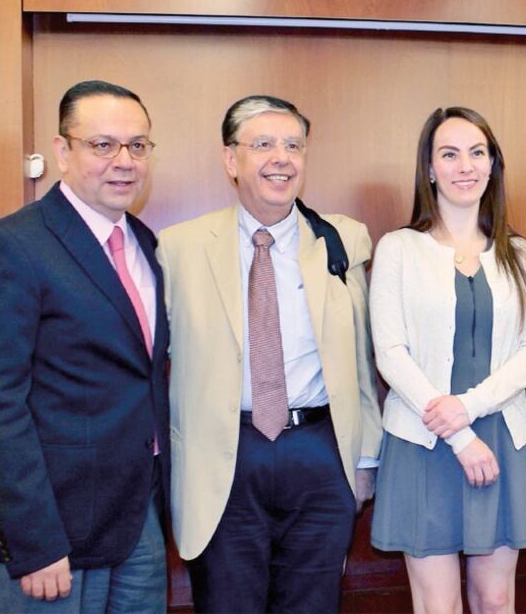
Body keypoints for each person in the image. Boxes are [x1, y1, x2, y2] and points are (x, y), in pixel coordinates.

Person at [156, 95, 383, 613]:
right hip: (223, 454)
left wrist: (365, 457)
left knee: (313, 603)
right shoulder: (178, 248)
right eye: (262, 144)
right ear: (230, 160)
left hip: (319, 449)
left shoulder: (343, 241)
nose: (281, 158)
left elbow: (363, 361)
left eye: (293, 145)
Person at [0, 80, 169, 612]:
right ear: (62, 151)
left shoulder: (146, 244)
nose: (124, 161)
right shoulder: (12, 246)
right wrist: (34, 542)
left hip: (135, 520)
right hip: (51, 532)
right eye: (102, 145)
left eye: (138, 145)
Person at [369, 106, 526, 613]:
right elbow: (390, 353)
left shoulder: (518, 251)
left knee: (497, 601)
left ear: (493, 164)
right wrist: (457, 432)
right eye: (448, 154)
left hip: (501, 436)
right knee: (439, 606)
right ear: (429, 168)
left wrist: (469, 411)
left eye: (477, 153)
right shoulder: (398, 249)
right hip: (424, 441)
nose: (465, 166)